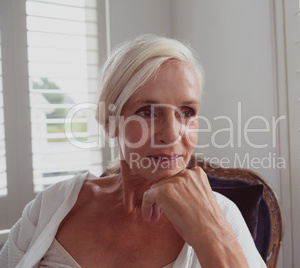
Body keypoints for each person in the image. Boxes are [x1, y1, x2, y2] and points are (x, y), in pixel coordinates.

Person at [0, 35, 266, 267]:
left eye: (187, 112)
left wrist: (208, 232)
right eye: (147, 112)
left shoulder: (220, 215)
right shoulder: (52, 205)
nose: (172, 134)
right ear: (110, 122)